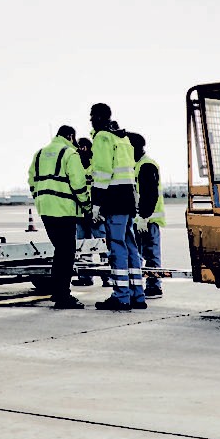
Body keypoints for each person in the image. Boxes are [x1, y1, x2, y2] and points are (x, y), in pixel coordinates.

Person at [88, 103, 145, 310]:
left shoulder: (103, 138)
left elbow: (102, 173)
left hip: (114, 199)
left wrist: (96, 204)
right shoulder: (123, 139)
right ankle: (137, 295)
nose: (91, 120)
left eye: (92, 116)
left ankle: (121, 295)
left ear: (99, 117)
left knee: (116, 247)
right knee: (130, 246)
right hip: (128, 198)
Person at [28, 124, 90, 309]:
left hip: (45, 210)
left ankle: (58, 292)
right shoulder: (70, 154)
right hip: (64, 209)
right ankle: (62, 295)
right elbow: (78, 183)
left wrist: (40, 198)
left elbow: (32, 180)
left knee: (60, 252)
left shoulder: (39, 153)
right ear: (71, 136)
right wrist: (87, 206)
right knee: (66, 254)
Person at [131, 132, 165, 299]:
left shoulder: (146, 165)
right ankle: (145, 285)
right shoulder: (137, 165)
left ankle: (154, 287)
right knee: (140, 254)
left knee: (151, 255)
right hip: (140, 220)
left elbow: (150, 194)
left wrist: (144, 217)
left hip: (148, 220)